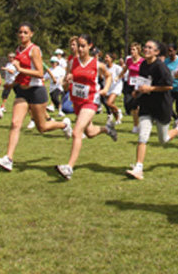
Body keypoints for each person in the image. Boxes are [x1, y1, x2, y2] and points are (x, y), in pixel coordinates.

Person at [0, 22, 72, 172]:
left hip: (36, 90)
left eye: (25, 32)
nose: (22, 35)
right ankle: (8, 158)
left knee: (41, 127)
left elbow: (40, 73)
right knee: (15, 123)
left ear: (31, 34)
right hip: (22, 92)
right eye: (20, 32)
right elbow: (21, 73)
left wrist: (19, 69)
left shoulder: (34, 50)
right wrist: (12, 83)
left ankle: (64, 124)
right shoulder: (18, 50)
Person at [55, 34, 117, 180]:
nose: (80, 49)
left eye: (83, 46)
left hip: (91, 101)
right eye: (78, 46)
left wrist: (106, 89)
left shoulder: (97, 64)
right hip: (77, 102)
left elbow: (108, 76)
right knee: (89, 132)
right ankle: (107, 129)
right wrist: (67, 80)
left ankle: (69, 168)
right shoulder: (72, 63)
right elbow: (64, 85)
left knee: (77, 132)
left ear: (90, 46)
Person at [125, 40, 178, 180]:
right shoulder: (142, 64)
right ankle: (138, 168)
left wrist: (151, 89)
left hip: (161, 107)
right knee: (143, 135)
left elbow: (169, 86)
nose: (146, 49)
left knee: (163, 139)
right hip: (146, 105)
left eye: (150, 47)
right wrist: (138, 91)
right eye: (145, 46)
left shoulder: (161, 67)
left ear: (156, 52)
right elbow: (143, 82)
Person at [119, 42, 144, 133]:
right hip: (130, 84)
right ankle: (136, 124)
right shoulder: (129, 60)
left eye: (134, 49)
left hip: (139, 86)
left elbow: (145, 72)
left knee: (136, 106)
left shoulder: (142, 61)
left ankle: (137, 126)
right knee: (129, 104)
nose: (131, 51)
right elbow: (125, 69)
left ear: (138, 51)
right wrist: (118, 76)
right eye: (131, 49)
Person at [165, 42, 178, 125]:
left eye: (171, 51)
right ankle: (176, 119)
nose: (170, 53)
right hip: (170, 88)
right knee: (168, 106)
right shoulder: (166, 62)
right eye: (168, 51)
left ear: (175, 51)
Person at [103, 52, 124, 125]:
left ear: (111, 59)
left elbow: (123, 74)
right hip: (108, 87)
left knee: (108, 103)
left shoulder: (117, 67)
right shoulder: (104, 67)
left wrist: (117, 78)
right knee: (111, 105)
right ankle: (118, 119)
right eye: (105, 57)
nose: (105, 59)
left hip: (116, 87)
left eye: (107, 57)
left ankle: (119, 111)